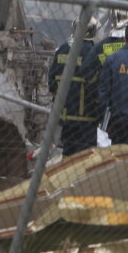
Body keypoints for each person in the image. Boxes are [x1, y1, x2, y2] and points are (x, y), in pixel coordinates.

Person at [46, 14, 101, 156]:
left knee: (68, 150)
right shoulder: (92, 52)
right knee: (86, 153)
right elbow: (97, 84)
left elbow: (52, 81)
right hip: (87, 115)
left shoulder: (62, 49)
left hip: (65, 113)